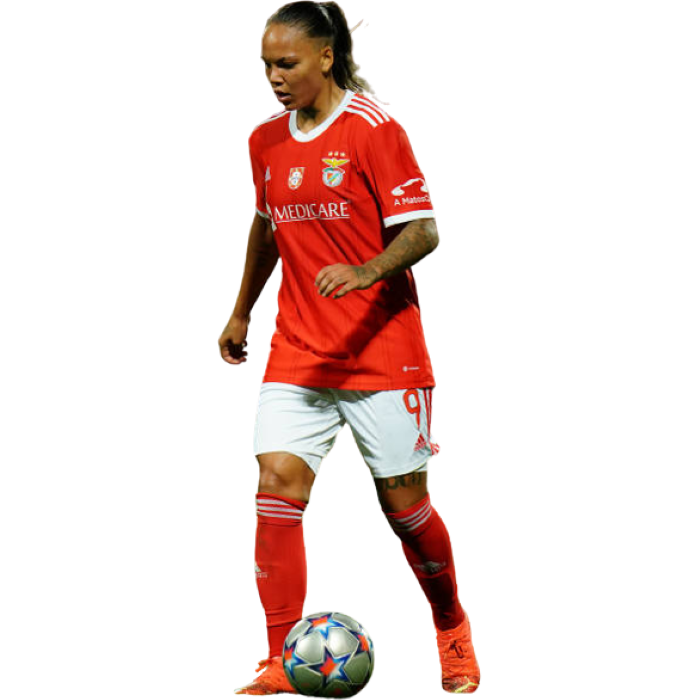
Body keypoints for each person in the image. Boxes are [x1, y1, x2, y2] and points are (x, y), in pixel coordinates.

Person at [219, 1, 481, 695]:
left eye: (287, 64)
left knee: (406, 511)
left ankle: (451, 627)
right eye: (267, 66)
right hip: (298, 348)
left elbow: (424, 231)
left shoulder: (373, 129)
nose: (275, 77)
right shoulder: (265, 139)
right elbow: (265, 229)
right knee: (276, 485)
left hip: (381, 350)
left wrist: (368, 270)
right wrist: (241, 312)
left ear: (327, 57)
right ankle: (280, 660)